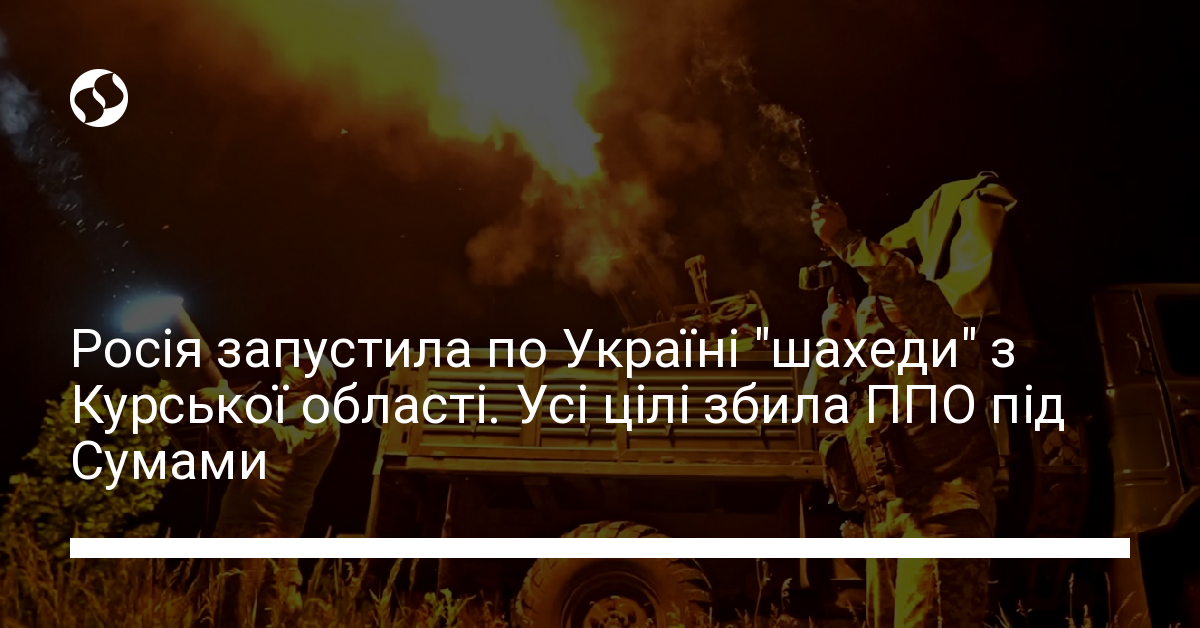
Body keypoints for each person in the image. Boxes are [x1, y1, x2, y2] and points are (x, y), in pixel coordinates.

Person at [808, 198, 999, 628]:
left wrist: (842, 239)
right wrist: (832, 341)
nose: (868, 315)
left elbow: (904, 283)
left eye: (879, 306)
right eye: (865, 310)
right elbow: (814, 414)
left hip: (941, 519)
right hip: (886, 523)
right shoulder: (869, 380)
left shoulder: (944, 344)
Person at [191, 352, 340, 626]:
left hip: (265, 537)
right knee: (209, 618)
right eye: (288, 365)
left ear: (319, 382)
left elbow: (285, 443)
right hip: (232, 533)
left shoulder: (319, 411)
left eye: (301, 366)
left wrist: (231, 404)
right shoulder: (274, 419)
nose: (288, 370)